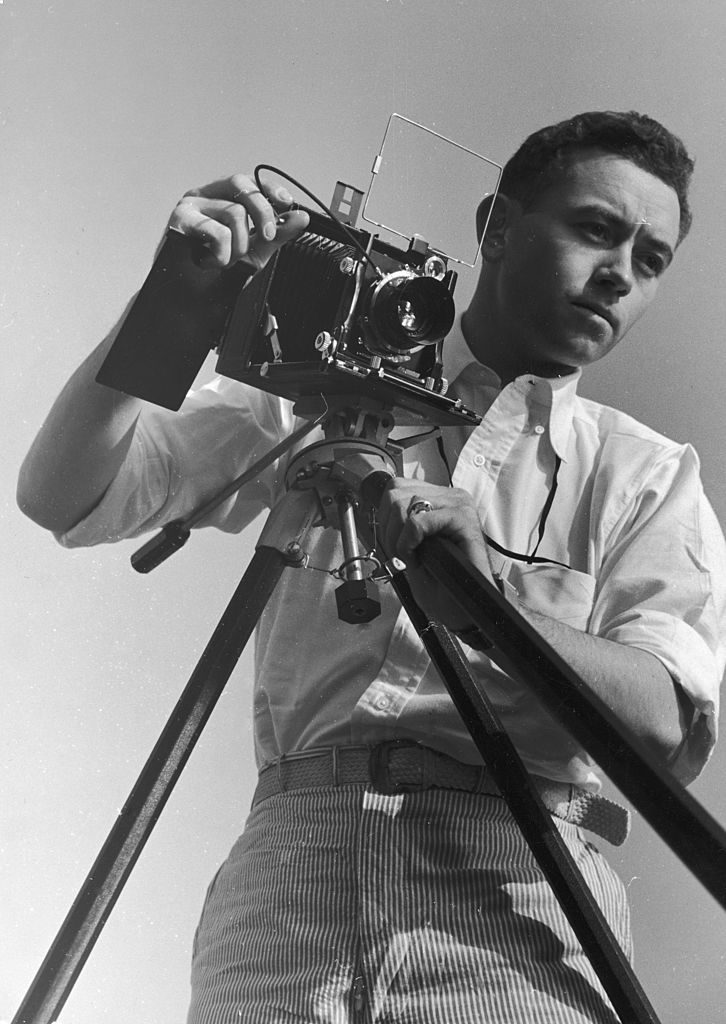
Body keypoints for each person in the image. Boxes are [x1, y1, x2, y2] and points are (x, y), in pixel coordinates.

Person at [17, 111, 726, 1023]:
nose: (621, 272)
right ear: (497, 229)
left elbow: (665, 725)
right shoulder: (323, 387)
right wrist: (170, 313)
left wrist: (488, 606)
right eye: (596, 229)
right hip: (289, 878)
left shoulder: (646, 474)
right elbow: (68, 495)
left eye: (652, 258)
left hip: (521, 892)